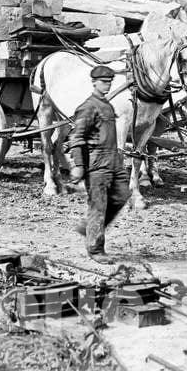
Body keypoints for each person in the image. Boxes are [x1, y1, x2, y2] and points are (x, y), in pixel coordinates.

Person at [67, 65, 129, 263]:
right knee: (98, 206)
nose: (107, 85)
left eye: (110, 81)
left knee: (122, 195)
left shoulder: (107, 105)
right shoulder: (88, 107)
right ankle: (95, 249)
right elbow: (76, 137)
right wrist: (78, 165)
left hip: (114, 160)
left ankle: (90, 228)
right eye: (103, 82)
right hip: (97, 163)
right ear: (93, 82)